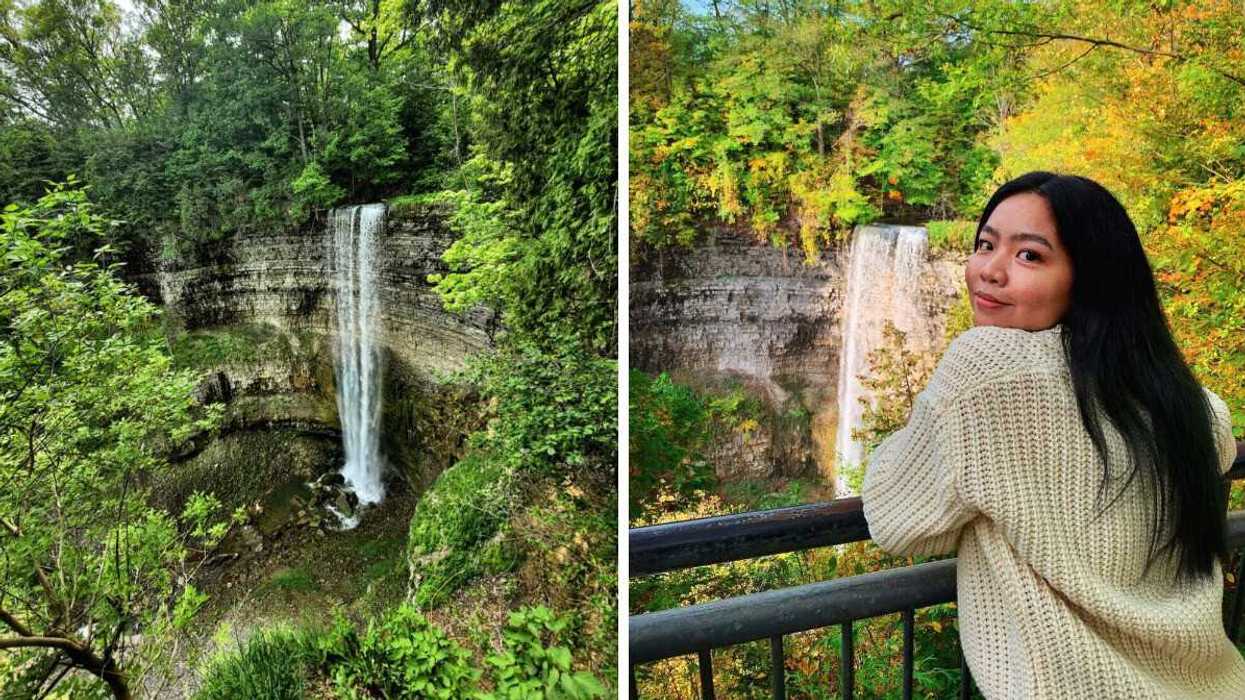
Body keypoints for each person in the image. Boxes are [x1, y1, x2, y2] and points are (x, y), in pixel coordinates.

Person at [860, 171, 1245, 699]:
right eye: (986, 245)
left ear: (1089, 279)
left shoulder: (984, 368)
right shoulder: (1178, 398)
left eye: (1029, 256)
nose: (989, 271)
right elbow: (1218, 439)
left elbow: (895, 521)